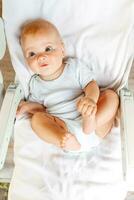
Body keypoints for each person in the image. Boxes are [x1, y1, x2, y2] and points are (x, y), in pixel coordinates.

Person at [17, 18, 119, 151]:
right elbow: (41, 109)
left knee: (111, 96)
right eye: (32, 53)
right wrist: (27, 107)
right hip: (65, 128)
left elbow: (91, 84)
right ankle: (60, 138)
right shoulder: (35, 84)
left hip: (94, 123)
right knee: (37, 119)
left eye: (48, 49)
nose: (40, 57)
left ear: (62, 50)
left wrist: (91, 100)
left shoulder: (74, 67)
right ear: (25, 59)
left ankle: (92, 123)